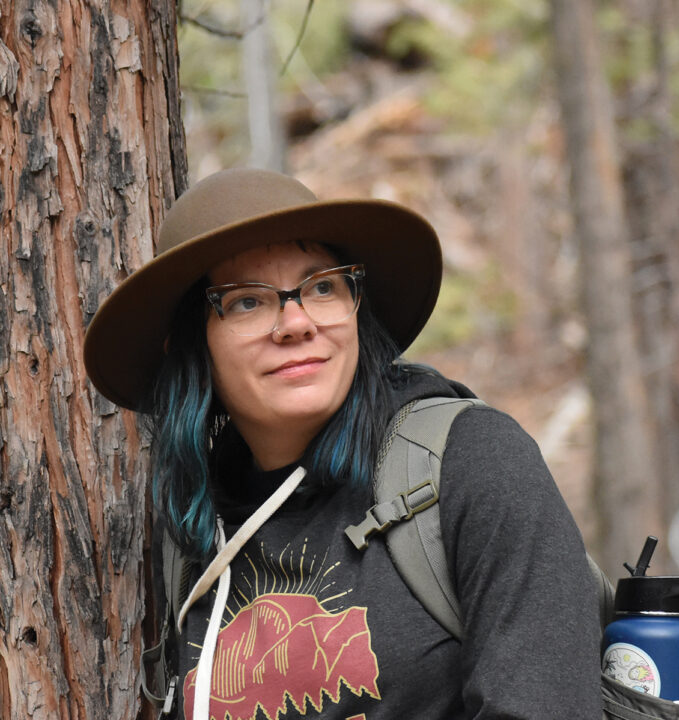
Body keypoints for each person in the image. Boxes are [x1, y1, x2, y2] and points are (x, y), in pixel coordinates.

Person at [83, 167, 601, 719]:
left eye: (322, 286)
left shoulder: (470, 464)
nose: (296, 321)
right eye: (246, 302)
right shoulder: (190, 536)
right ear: (190, 347)